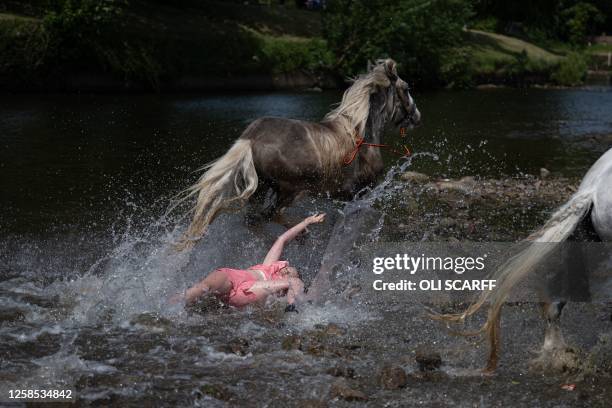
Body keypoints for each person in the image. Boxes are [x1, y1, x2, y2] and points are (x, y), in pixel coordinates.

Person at [178, 213, 326, 310]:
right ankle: (168, 307)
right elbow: (282, 239)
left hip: (250, 290)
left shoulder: (277, 291)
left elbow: (294, 286)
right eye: (287, 269)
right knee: (202, 287)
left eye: (289, 273)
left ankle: (293, 313)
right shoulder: (267, 266)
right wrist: (306, 222)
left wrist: (294, 296)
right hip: (231, 276)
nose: (286, 270)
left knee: (296, 283)